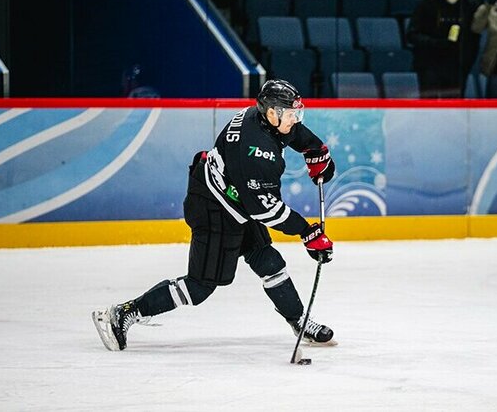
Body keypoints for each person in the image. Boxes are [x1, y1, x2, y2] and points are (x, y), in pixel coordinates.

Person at [92, 79, 337, 351]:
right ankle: (123, 313)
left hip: (235, 198)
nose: (295, 119)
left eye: (295, 113)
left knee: (269, 261)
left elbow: (293, 134)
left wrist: (315, 150)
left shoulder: (259, 116)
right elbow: (265, 209)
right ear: (272, 113)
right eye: (290, 114)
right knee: (199, 286)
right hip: (214, 207)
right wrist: (306, 232)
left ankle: (298, 321)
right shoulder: (257, 153)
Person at [406, 0, 481, 98]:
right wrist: (437, 43)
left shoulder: (471, 3)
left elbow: (474, 38)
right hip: (429, 63)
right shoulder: (428, 1)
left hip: (457, 67)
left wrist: (466, 62)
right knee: (429, 105)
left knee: (453, 107)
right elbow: (412, 35)